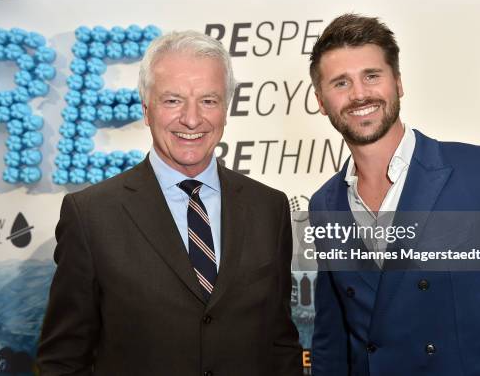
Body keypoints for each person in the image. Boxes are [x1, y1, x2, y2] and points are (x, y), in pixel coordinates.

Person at [37, 30, 302, 376]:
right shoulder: (91, 216)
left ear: (226, 108)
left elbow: (279, 344)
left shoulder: (270, 208)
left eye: (208, 100)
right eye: (173, 100)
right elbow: (62, 360)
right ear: (147, 109)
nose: (192, 119)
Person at [308, 14, 480, 375]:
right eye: (341, 83)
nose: (359, 94)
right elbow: (332, 340)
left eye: (372, 76)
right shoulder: (325, 204)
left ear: (398, 83)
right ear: (321, 100)